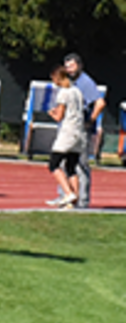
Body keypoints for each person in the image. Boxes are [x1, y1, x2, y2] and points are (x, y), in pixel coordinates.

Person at [63, 53, 105, 208]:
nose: (69, 69)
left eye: (72, 66)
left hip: (80, 130)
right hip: (68, 128)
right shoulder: (68, 82)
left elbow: (100, 103)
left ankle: (82, 201)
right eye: (67, 67)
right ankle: (67, 197)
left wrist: (90, 121)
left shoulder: (85, 82)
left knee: (80, 164)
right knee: (64, 163)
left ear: (80, 66)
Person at [46, 64, 86, 209]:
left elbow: (59, 117)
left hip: (68, 131)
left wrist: (52, 113)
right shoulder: (77, 91)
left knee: (54, 164)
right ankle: (74, 200)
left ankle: (68, 193)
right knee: (71, 166)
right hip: (79, 132)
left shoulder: (64, 93)